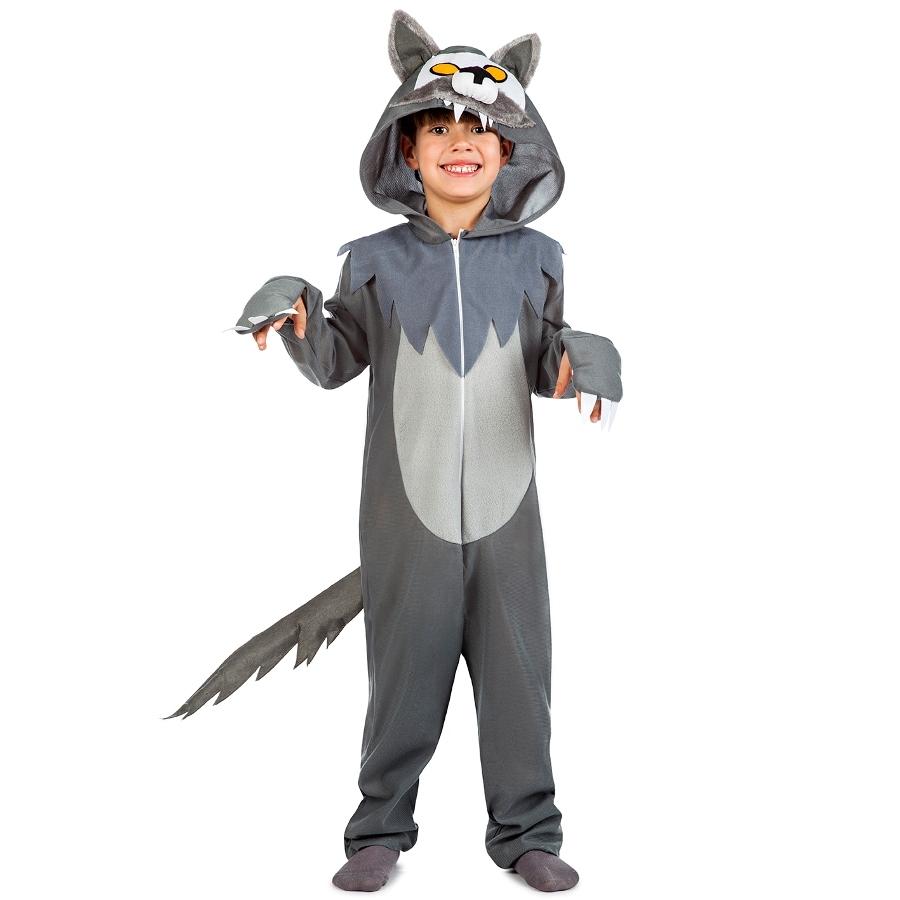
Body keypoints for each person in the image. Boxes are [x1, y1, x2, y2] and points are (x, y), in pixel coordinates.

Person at [168, 10, 622, 893]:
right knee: (403, 674)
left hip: (509, 520)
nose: (461, 144)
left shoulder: (538, 259)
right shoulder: (375, 262)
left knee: (521, 674)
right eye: (439, 129)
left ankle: (527, 830)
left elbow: (546, 361)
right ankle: (379, 828)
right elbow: (336, 359)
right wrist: (300, 313)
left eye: (479, 131)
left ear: (508, 151)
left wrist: (583, 363)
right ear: (407, 152)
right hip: (403, 517)